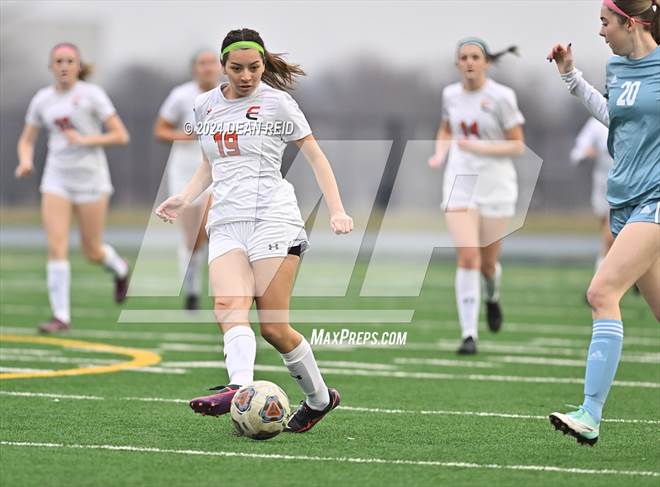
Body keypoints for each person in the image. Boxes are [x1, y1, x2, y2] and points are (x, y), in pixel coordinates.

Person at [155, 28, 353, 433]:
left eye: (255, 68)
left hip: (274, 219)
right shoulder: (204, 105)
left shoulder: (278, 103)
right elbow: (210, 164)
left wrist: (337, 209)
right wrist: (185, 196)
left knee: (274, 328)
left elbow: (315, 157)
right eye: (237, 68)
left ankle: (319, 400)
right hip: (226, 220)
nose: (246, 76)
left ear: (264, 64)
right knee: (227, 307)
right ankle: (239, 386)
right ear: (222, 66)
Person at [547, 0, 659, 445]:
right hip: (624, 202)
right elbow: (616, 118)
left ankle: (590, 414)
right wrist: (571, 77)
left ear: (629, 23)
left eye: (605, 23)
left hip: (656, 200)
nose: (599, 32)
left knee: (601, 292)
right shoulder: (617, 69)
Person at [15, 42, 131, 334]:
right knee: (56, 246)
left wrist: (85, 141)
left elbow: (120, 135)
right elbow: (27, 139)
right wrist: (26, 161)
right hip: (56, 179)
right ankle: (61, 317)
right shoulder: (42, 99)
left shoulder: (92, 95)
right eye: (58, 61)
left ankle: (119, 268)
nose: (64, 66)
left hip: (91, 179)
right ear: (51, 67)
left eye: (69, 61)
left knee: (91, 250)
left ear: (79, 66)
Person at [428, 37, 525, 355]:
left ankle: (492, 297)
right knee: (468, 256)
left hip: (496, 184)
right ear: (457, 63)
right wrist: (440, 153)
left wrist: (480, 147)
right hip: (461, 181)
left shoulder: (502, 97)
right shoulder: (450, 95)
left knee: (487, 264)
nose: (469, 62)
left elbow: (517, 144)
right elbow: (445, 129)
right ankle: (469, 335)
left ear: (486, 62)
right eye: (464, 57)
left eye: (475, 57)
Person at [154, 49, 221, 310]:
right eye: (202, 64)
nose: (207, 68)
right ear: (194, 68)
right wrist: (186, 136)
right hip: (185, 168)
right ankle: (192, 289)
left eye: (212, 63)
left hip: (216, 167)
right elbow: (160, 129)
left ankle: (223, 286)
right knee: (192, 237)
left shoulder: (228, 93)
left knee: (210, 228)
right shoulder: (180, 95)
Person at [570, 117, 615, 273]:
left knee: (611, 236)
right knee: (611, 237)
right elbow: (577, 153)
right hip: (604, 186)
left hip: (633, 185)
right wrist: (586, 153)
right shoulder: (597, 122)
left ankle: (600, 283)